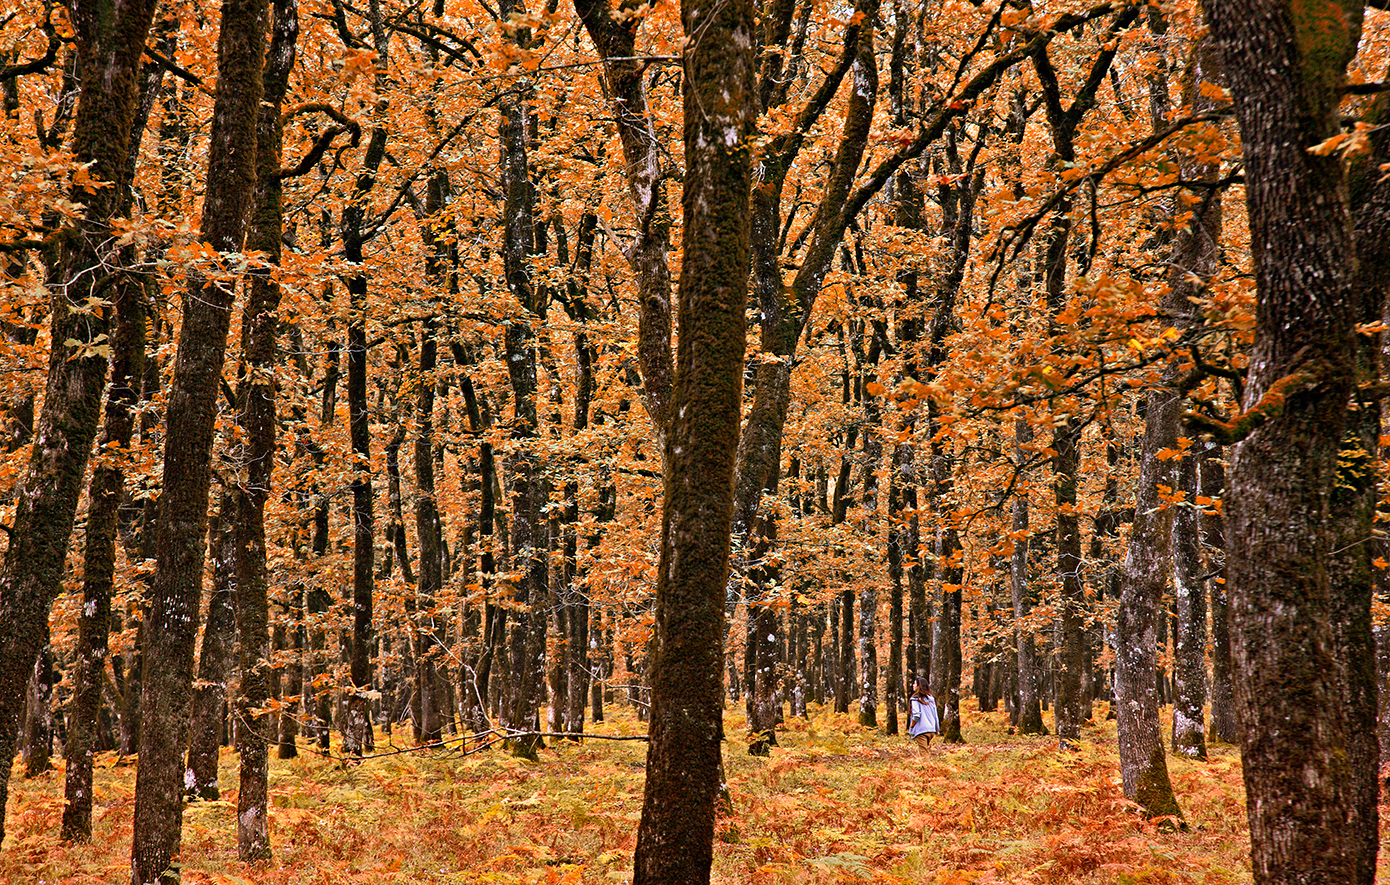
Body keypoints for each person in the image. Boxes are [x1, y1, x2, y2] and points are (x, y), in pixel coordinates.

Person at [908, 677, 939, 753]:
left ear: (919, 686)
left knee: (923, 753)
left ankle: (926, 765)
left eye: (915, 683)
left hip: (921, 730)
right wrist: (937, 729)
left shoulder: (915, 699)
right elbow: (935, 715)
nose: (913, 685)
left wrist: (911, 726)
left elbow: (916, 715)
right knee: (923, 750)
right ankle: (922, 764)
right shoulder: (930, 699)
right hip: (931, 729)